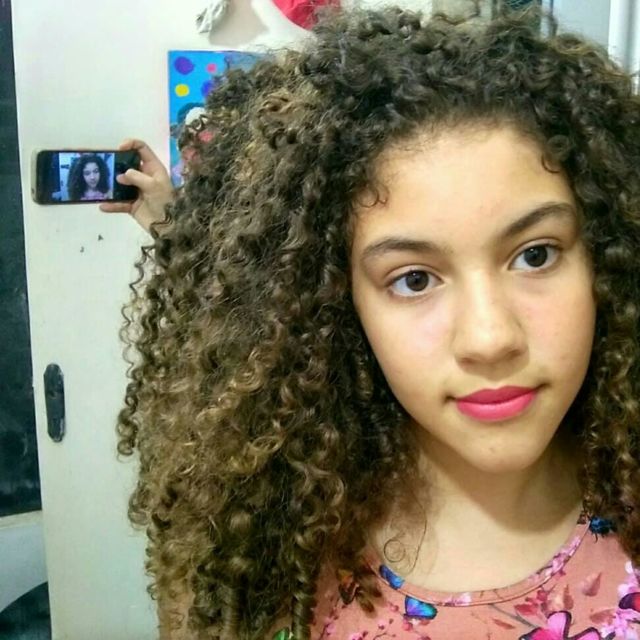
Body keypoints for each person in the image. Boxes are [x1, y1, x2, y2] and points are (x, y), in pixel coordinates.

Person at [108, 3, 640, 639]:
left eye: (535, 255)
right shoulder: (254, 559)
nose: (490, 338)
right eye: (413, 279)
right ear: (337, 301)